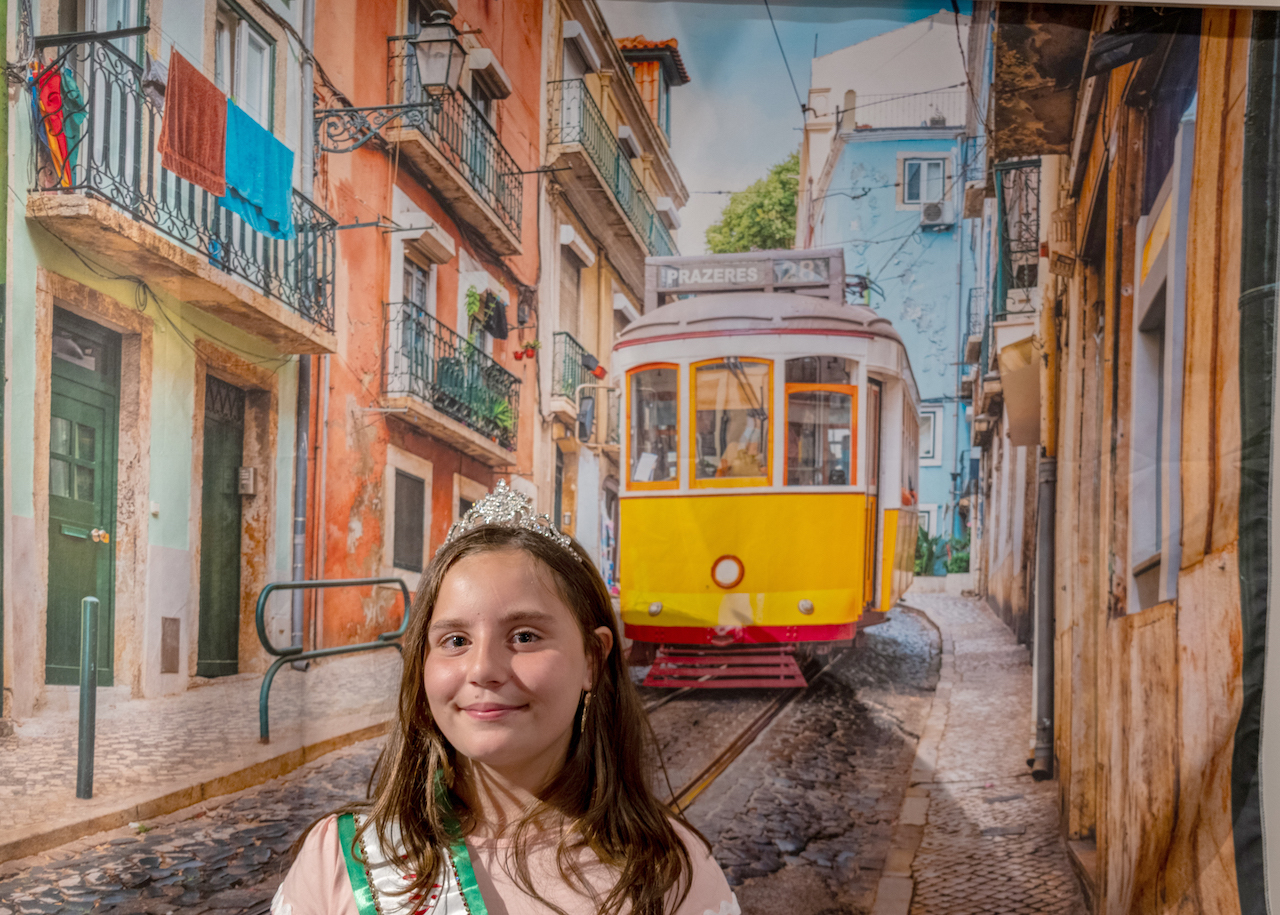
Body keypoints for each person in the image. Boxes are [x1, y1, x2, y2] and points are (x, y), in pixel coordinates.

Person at [271, 481, 739, 915]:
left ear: (592, 659)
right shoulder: (341, 861)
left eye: (525, 636)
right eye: (455, 641)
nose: (483, 669)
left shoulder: (672, 877)